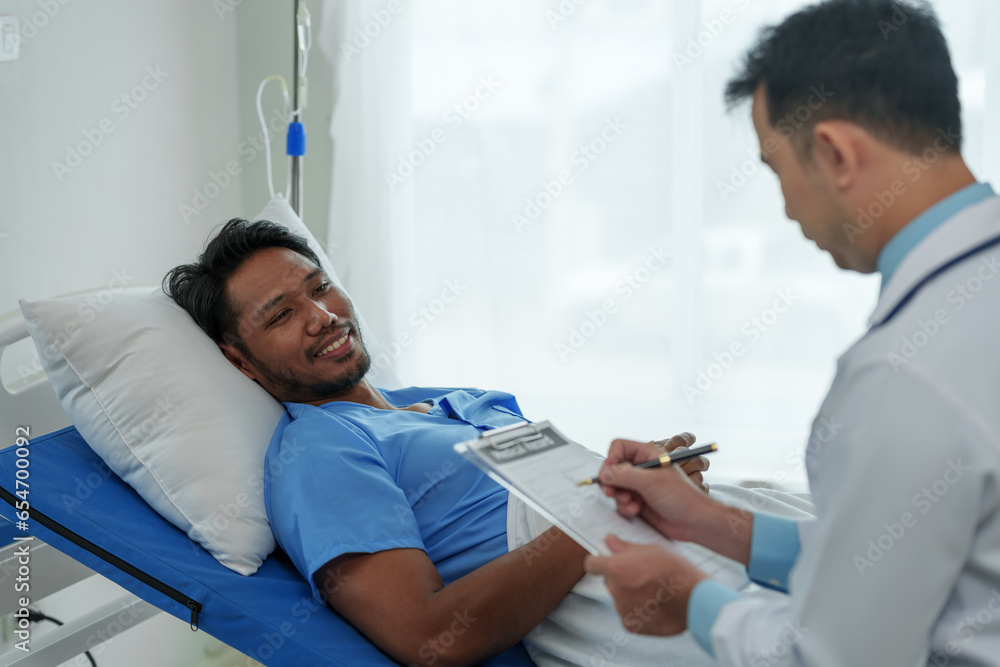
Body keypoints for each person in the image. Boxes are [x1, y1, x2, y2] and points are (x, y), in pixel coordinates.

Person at [163, 219, 813, 667]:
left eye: (319, 285)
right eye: (280, 313)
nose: (323, 314)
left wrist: (651, 480)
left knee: (871, 568)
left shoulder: (454, 400)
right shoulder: (320, 450)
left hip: (657, 529)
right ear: (242, 362)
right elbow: (426, 637)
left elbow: (572, 491)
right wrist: (600, 510)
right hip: (604, 577)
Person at [584, 1, 1000, 665]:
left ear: (833, 152)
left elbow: (834, 656)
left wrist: (691, 600)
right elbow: (907, 548)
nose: (784, 207)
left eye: (777, 170)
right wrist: (715, 526)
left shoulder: (905, 372)